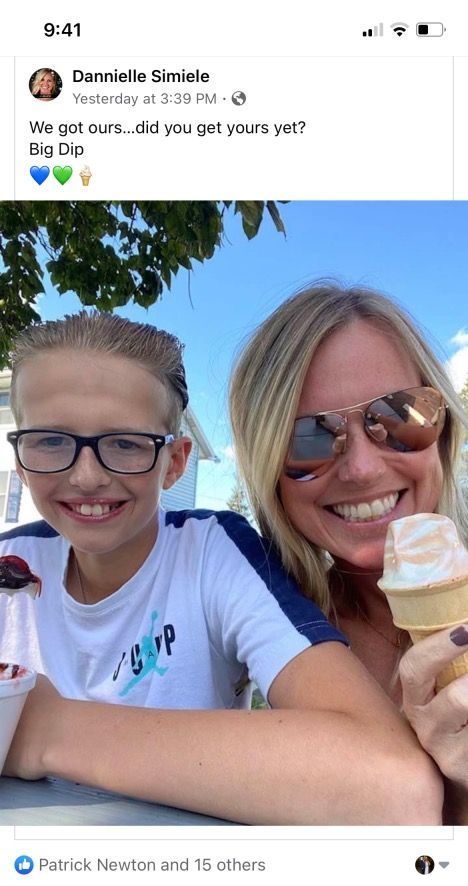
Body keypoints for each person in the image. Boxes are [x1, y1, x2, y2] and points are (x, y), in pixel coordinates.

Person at [1, 311, 441, 826]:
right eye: (50, 440)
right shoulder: (13, 567)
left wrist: (47, 730)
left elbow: (392, 786)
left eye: (126, 443)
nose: (87, 475)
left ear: (177, 462)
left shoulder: (212, 553)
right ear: (20, 456)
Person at [230, 281, 468, 824]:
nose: (362, 468)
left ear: (443, 425)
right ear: (271, 473)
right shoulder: (276, 634)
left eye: (399, 416)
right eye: (307, 439)